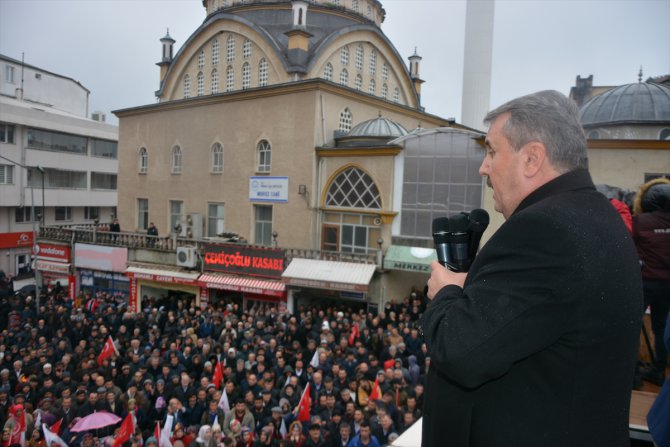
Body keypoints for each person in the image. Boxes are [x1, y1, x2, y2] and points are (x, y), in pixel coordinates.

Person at [422, 90, 643, 447]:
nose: (484, 167)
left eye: (492, 151)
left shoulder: (544, 230)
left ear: (532, 158)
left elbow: (459, 349)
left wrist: (446, 293)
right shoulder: (596, 215)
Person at [633, 178, 670, 386]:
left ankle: (634, 375)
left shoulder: (641, 221)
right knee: (661, 326)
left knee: (633, 325)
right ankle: (659, 371)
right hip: (668, 284)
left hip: (645, 281)